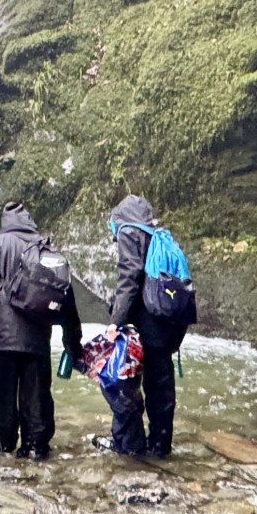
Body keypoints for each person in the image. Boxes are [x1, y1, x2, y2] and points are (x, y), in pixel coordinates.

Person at [0, 201, 83, 461]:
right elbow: (65, 295)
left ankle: (4, 442)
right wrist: (72, 340)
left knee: (4, 391)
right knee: (37, 392)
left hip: (6, 334)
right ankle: (35, 446)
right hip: (38, 333)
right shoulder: (45, 249)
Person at [96, 194, 194, 458]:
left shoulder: (129, 232)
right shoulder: (158, 234)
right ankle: (160, 446)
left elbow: (129, 277)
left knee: (124, 381)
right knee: (161, 386)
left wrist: (116, 321)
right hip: (167, 320)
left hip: (148, 322)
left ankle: (131, 446)